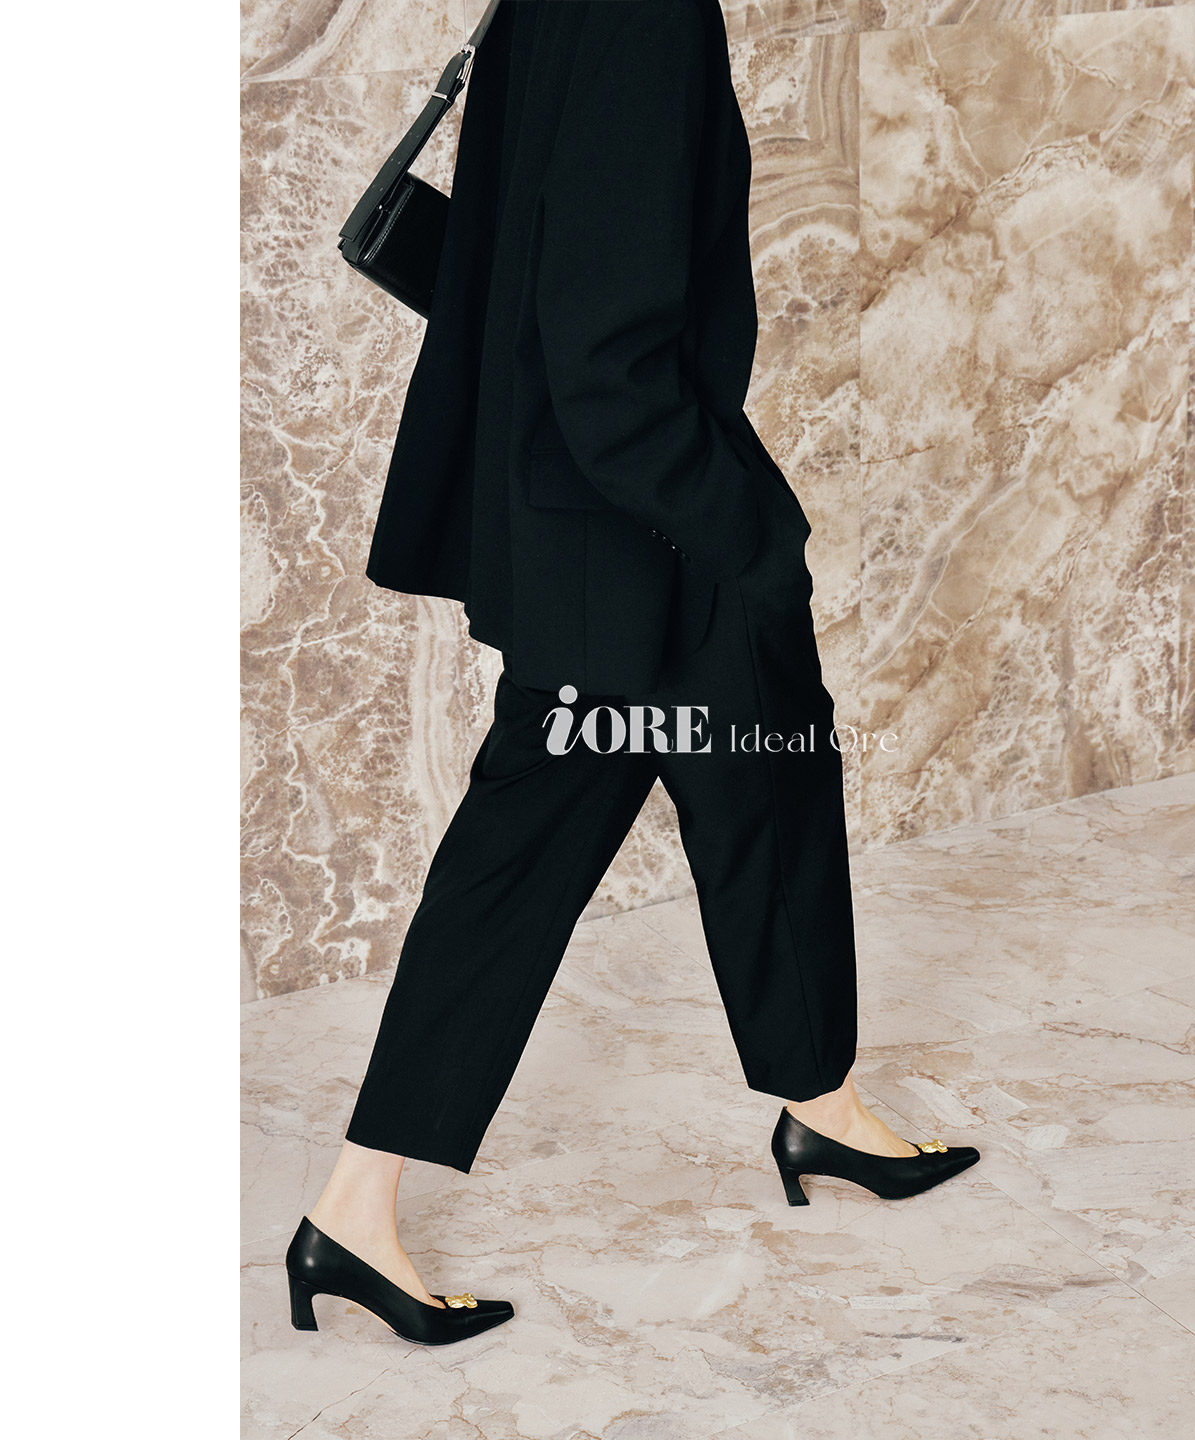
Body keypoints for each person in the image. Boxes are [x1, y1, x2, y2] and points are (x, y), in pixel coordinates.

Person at [285, 0, 978, 1347]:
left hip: (584, 528)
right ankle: (360, 1212)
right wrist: (750, 531)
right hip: (644, 532)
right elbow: (606, 357)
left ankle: (818, 1104)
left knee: (717, 800)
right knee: (669, 812)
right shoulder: (644, 16)